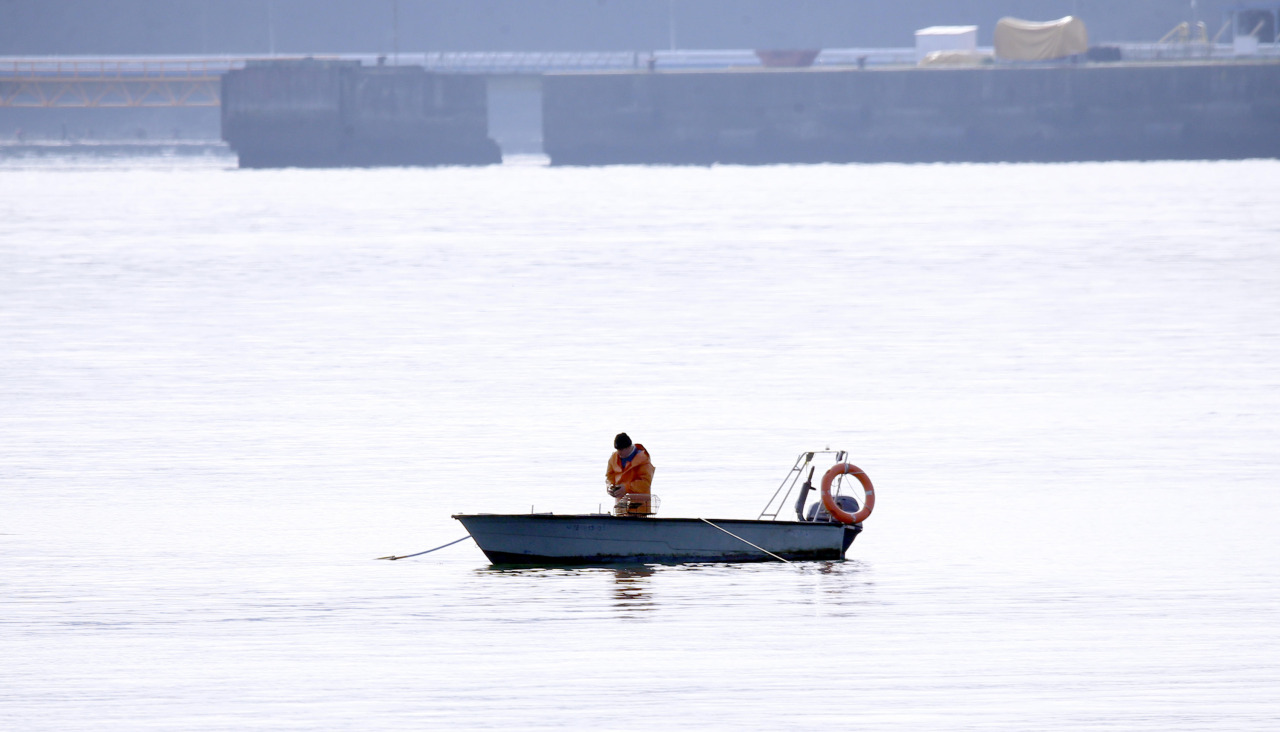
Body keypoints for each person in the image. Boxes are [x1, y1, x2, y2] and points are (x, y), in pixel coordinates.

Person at [606, 433, 655, 516]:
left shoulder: (643, 460)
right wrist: (610, 487)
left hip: (639, 509)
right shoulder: (614, 458)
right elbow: (609, 476)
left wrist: (626, 488)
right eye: (617, 450)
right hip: (621, 507)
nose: (619, 453)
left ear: (628, 447)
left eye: (621, 450)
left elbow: (645, 483)